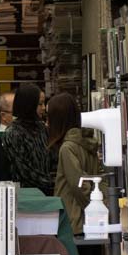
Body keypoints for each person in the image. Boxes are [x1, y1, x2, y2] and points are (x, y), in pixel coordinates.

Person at [47, 92, 100, 228]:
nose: (47, 123)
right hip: (87, 220)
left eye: (49, 117)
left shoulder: (67, 148)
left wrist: (94, 210)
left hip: (73, 220)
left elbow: (79, 185)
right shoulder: (87, 142)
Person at [0, 84, 54, 194]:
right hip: (25, 194)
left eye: (44, 103)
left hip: (47, 192)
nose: (43, 108)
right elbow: (23, 169)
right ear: (28, 105)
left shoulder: (42, 128)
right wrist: (51, 183)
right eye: (39, 104)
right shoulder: (13, 132)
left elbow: (51, 158)